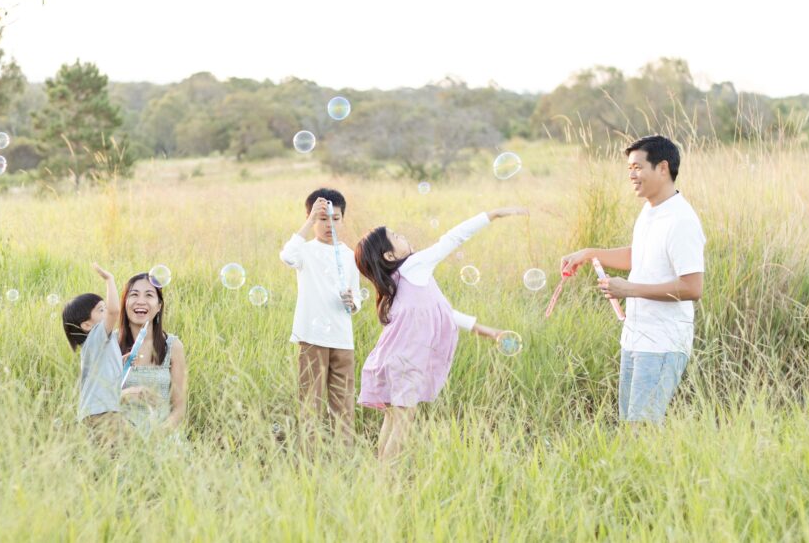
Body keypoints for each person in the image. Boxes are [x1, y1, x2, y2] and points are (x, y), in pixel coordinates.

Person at [354, 207, 527, 462]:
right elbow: (453, 238)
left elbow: (442, 312)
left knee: (392, 421)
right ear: (390, 254)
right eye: (396, 236)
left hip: (389, 361)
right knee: (402, 424)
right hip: (407, 363)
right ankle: (385, 483)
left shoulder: (394, 283)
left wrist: (486, 331)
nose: (403, 236)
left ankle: (382, 475)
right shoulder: (415, 265)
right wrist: (491, 215)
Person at [561, 134, 705, 425]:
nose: (632, 175)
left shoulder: (681, 221)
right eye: (629, 169)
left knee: (642, 429)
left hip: (662, 343)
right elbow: (640, 256)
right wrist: (589, 253)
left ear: (662, 168)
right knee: (630, 425)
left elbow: (692, 287)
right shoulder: (650, 210)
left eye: (638, 167)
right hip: (635, 338)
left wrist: (629, 289)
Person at [280, 188, 361, 452]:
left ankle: (342, 458)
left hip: (342, 339)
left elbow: (356, 293)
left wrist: (354, 302)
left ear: (343, 219)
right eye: (322, 218)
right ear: (312, 218)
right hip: (313, 337)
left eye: (335, 218)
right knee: (310, 404)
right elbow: (287, 256)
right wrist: (307, 222)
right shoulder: (306, 250)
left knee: (344, 406)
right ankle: (309, 459)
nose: (329, 225)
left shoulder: (350, 255)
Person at [118, 272, 188, 438]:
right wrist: (127, 394)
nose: (141, 301)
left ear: (159, 306)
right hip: (119, 436)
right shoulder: (109, 344)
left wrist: (157, 436)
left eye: (149, 295)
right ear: (124, 303)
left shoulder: (173, 346)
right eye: (134, 294)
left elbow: (179, 407)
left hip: (162, 437)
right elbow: (96, 401)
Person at [62, 264, 126, 444]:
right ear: (86, 325)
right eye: (101, 309)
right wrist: (109, 279)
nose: (107, 312)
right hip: (103, 411)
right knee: (116, 456)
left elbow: (104, 367)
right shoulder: (97, 335)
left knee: (104, 458)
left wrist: (121, 361)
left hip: (95, 411)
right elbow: (115, 311)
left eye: (104, 308)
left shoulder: (96, 344)